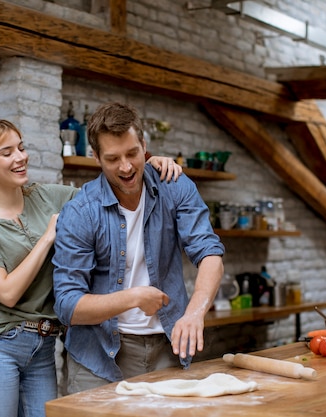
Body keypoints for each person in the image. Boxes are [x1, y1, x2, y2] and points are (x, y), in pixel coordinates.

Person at [0, 118, 181, 417]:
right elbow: (7, 293)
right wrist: (48, 237)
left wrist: (151, 163)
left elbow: (111, 189)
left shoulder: (49, 196)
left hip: (44, 345)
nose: (20, 157)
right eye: (7, 152)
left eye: (21, 148)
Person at [52, 102, 225, 394]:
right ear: (95, 157)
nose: (126, 166)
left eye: (132, 153)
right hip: (97, 357)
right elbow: (68, 305)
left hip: (166, 347)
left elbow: (210, 254)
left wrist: (195, 313)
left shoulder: (175, 186)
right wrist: (133, 297)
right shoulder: (81, 211)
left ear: (144, 145)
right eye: (112, 158)